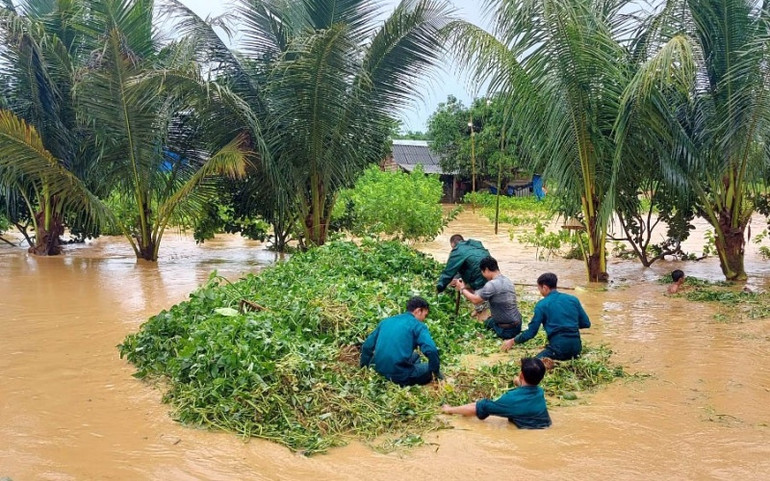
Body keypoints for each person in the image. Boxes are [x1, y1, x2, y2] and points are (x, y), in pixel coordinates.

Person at [441, 357, 552, 429]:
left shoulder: (510, 400)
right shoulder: (540, 392)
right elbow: (528, 387)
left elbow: (477, 407)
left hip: (526, 433)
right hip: (544, 428)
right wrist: (518, 381)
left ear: (522, 375)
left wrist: (449, 409)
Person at [502, 273, 590, 362]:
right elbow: (586, 323)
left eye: (539, 289)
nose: (540, 292)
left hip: (558, 349)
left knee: (531, 365)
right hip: (577, 349)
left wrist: (513, 341)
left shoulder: (542, 305)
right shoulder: (573, 299)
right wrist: (569, 324)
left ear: (544, 287)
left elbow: (531, 333)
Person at [360, 296, 440, 386]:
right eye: (425, 315)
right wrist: (435, 373)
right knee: (430, 368)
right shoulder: (418, 326)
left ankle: (407, 370)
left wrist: (364, 369)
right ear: (418, 311)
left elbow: (367, 346)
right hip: (398, 376)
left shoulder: (386, 321)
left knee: (416, 356)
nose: (424, 319)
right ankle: (410, 377)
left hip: (378, 371)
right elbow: (431, 350)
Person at [454, 256, 522, 339]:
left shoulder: (491, 285)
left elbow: (475, 300)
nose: (483, 275)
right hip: (518, 325)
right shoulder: (507, 281)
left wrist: (462, 288)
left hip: (506, 331)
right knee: (489, 319)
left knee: (484, 323)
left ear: (486, 270)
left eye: (482, 272)